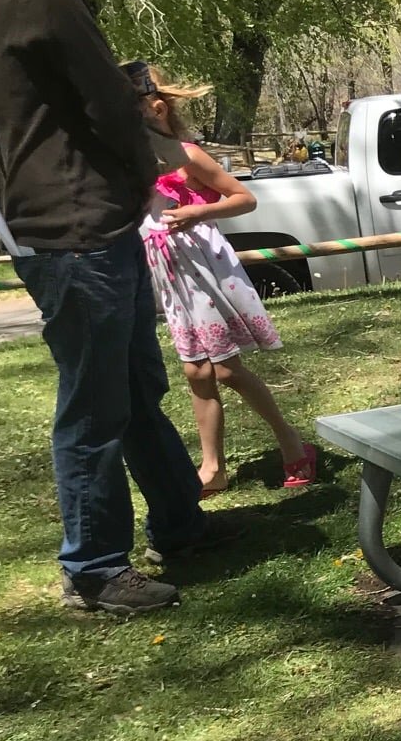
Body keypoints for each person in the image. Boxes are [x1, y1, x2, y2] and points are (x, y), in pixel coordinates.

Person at [0, 0, 227, 615]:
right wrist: (146, 173)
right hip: (78, 227)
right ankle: (96, 570)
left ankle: (179, 521)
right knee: (96, 404)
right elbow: (106, 103)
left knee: (135, 387)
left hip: (53, 224)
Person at [127, 62, 316, 496]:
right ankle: (212, 467)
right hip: (169, 273)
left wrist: (198, 211)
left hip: (205, 269)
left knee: (227, 370)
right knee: (196, 372)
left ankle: (290, 441)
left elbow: (243, 198)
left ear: (156, 109)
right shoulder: (129, 166)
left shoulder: (187, 156)